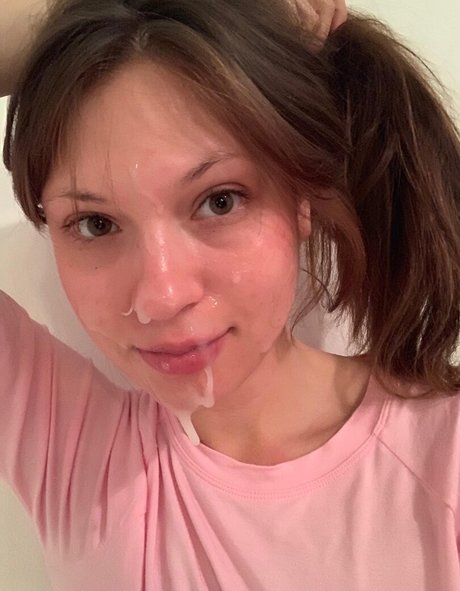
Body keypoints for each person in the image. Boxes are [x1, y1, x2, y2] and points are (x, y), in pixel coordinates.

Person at [0, 0, 459, 589]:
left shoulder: (443, 455)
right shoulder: (74, 457)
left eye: (220, 201)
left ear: (301, 198)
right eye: (95, 223)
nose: (162, 297)